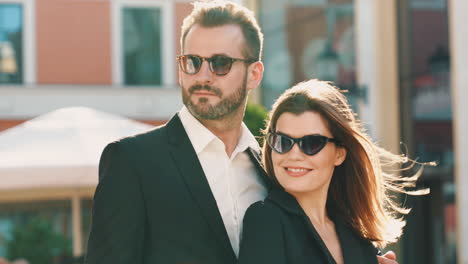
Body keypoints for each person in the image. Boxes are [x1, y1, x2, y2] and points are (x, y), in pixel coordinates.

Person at [85, 1, 400, 264]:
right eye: (192, 62)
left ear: (255, 73)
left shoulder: (275, 168)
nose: (203, 75)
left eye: (220, 63)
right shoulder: (132, 162)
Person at [238, 79, 427, 264]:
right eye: (282, 141)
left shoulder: (354, 229)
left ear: (339, 154)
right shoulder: (265, 220)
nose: (294, 155)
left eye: (311, 143)